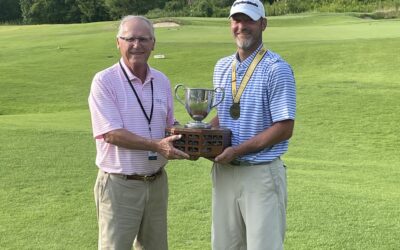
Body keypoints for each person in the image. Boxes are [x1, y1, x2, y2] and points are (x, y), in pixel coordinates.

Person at [88, 15, 189, 250]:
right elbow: (111, 133)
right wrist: (157, 145)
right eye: (130, 39)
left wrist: (191, 134)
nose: (137, 45)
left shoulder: (161, 81)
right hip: (120, 185)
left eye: (143, 39)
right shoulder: (104, 81)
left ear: (153, 43)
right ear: (118, 42)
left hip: (156, 184)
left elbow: (168, 125)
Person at [210, 0, 296, 249]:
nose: (241, 26)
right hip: (224, 173)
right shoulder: (222, 66)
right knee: (224, 245)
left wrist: (237, 150)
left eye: (248, 20)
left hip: (260, 174)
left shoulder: (276, 69)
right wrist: (201, 134)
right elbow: (223, 115)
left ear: (263, 24)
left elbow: (284, 127)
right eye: (236, 20)